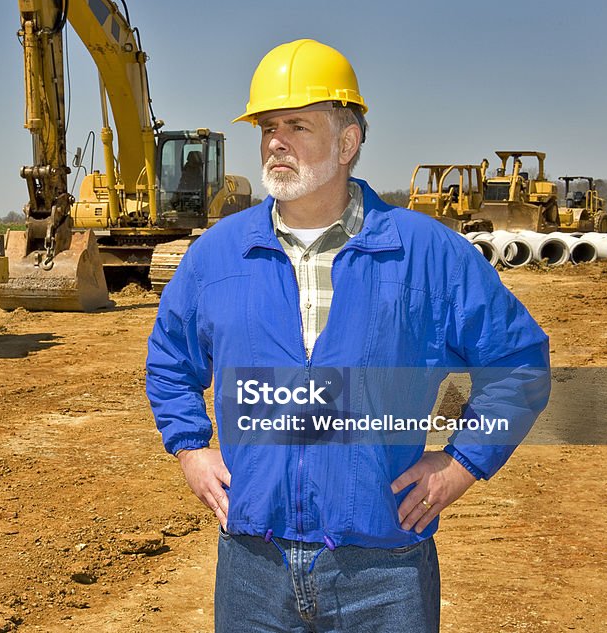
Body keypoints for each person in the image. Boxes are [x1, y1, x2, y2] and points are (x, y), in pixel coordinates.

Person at [145, 39, 550, 632]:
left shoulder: (428, 255)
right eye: (268, 127)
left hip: (383, 572)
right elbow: (169, 363)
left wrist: (462, 463)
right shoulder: (217, 256)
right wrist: (189, 447)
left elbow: (518, 363)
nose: (276, 142)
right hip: (253, 568)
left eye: (298, 126)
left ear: (348, 142)